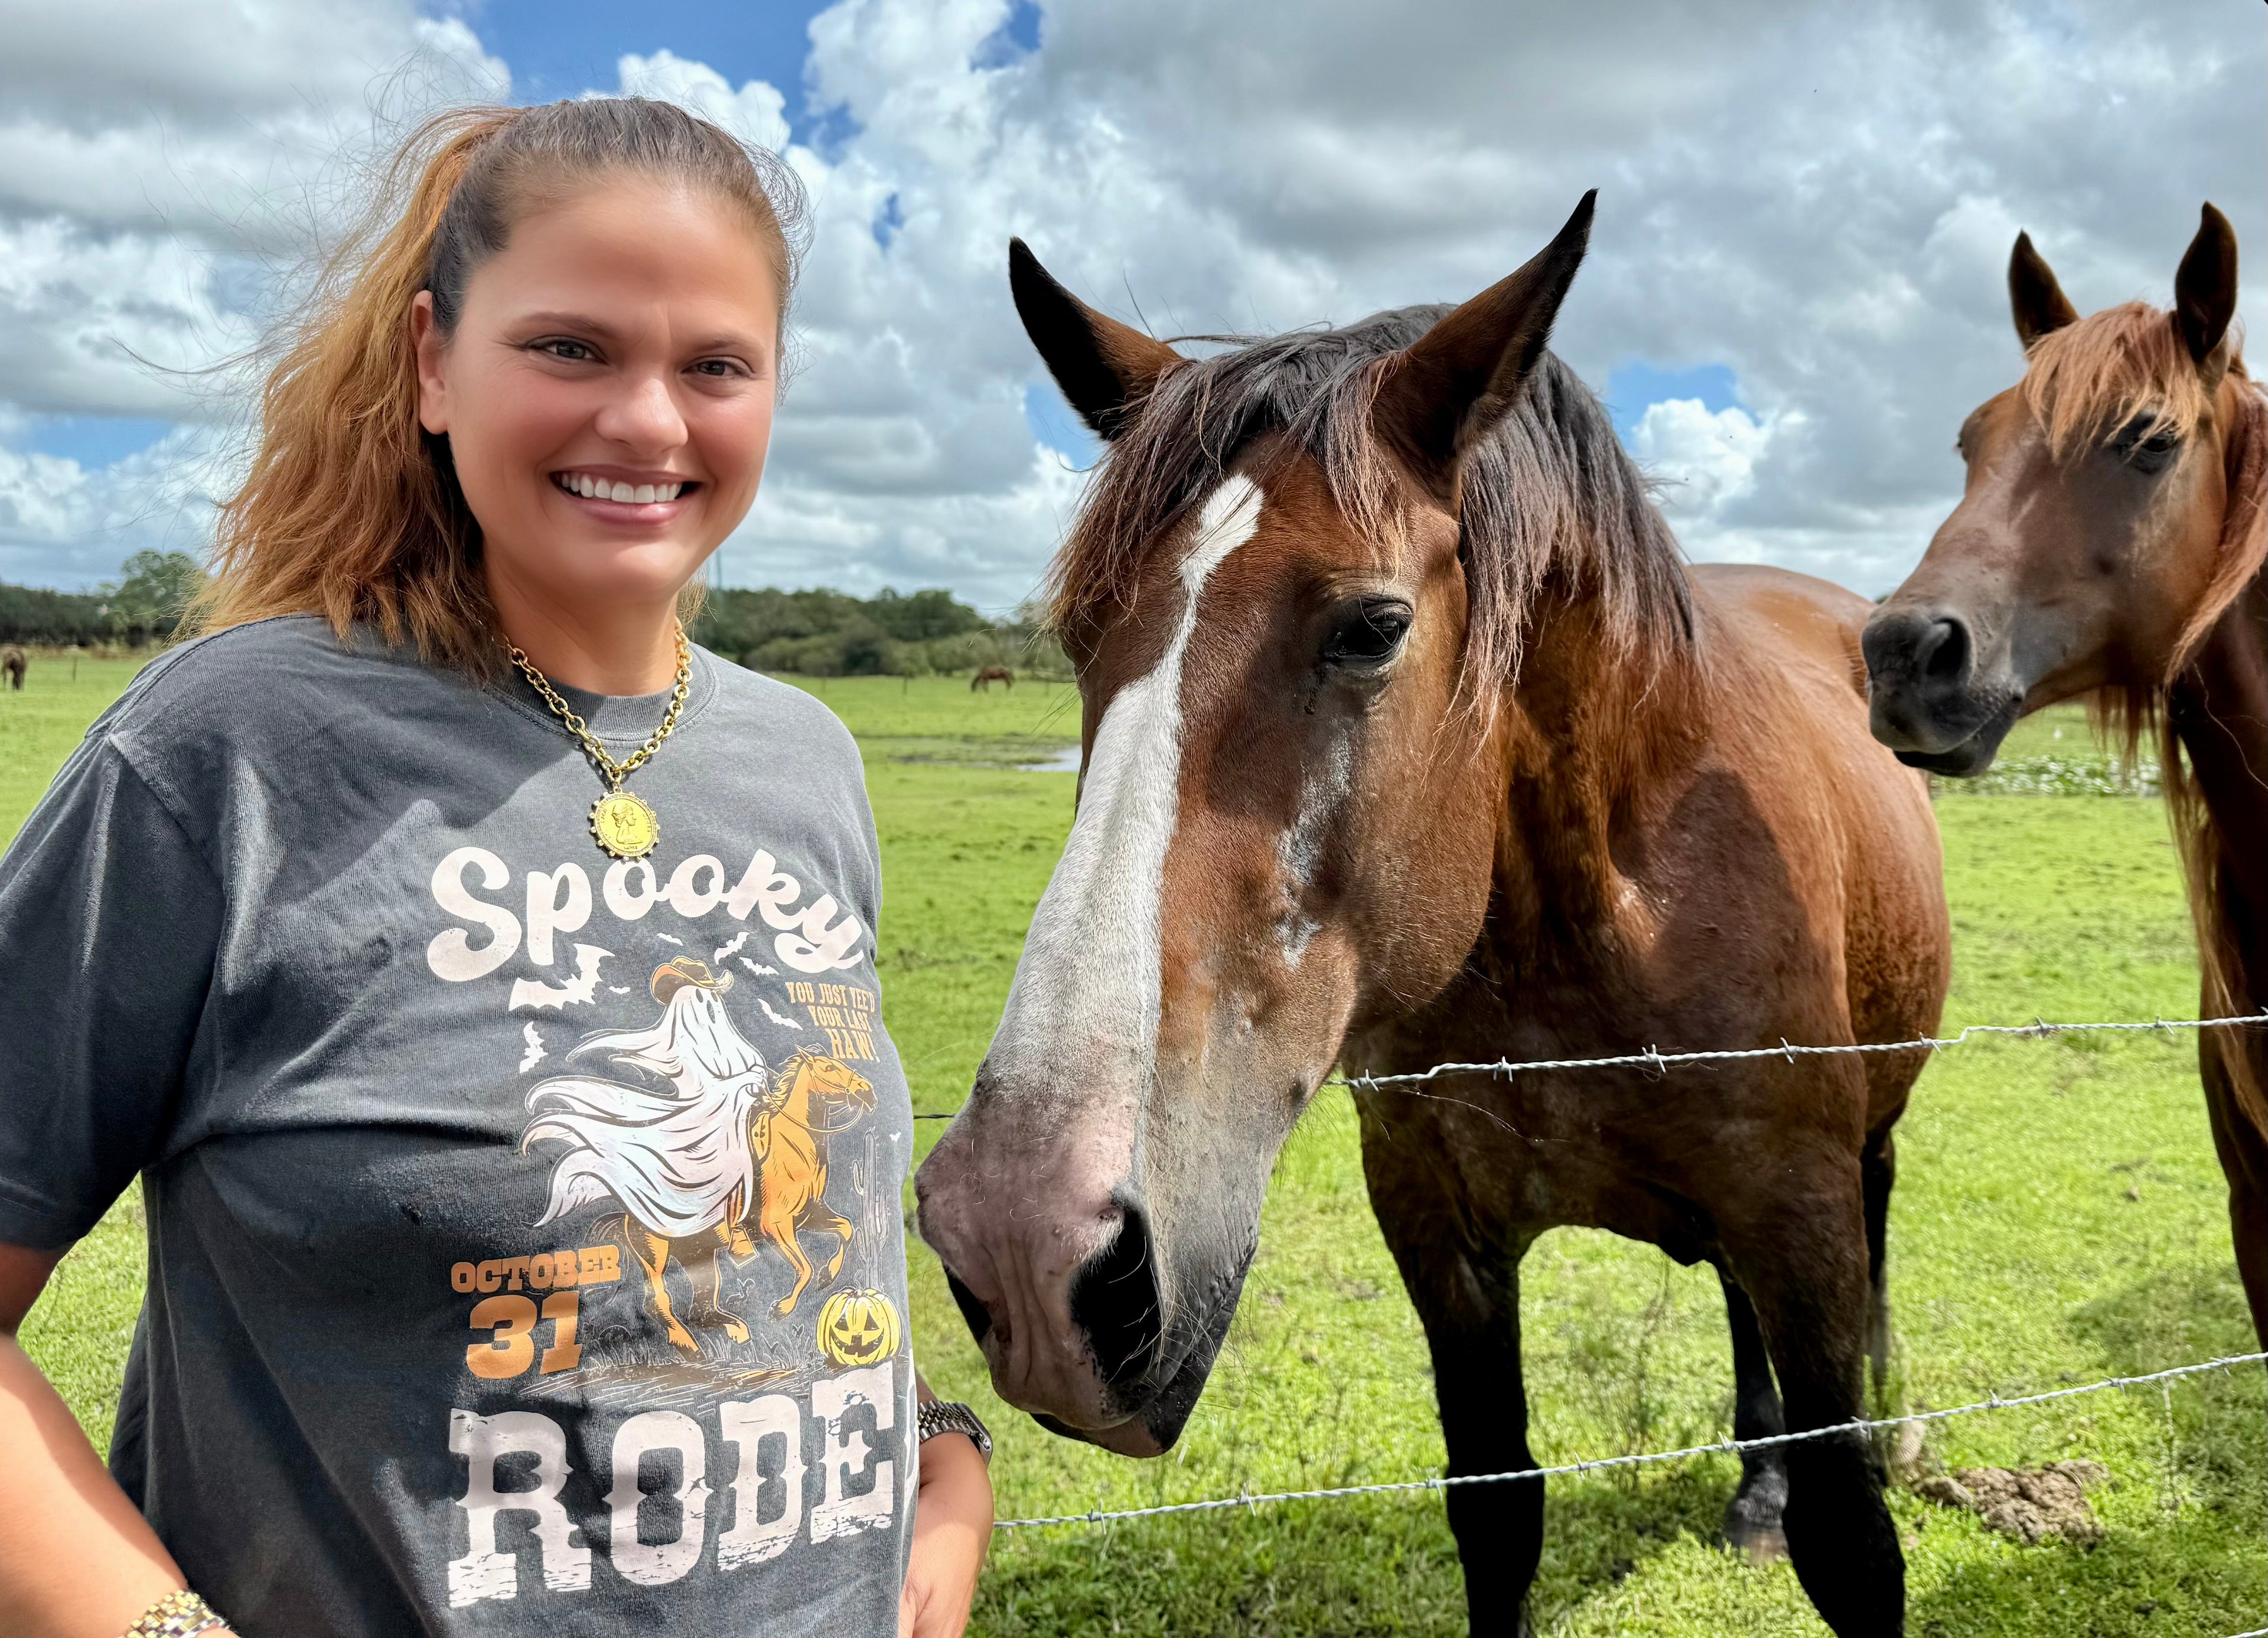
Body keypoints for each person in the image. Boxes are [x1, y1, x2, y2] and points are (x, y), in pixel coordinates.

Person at [0, 99, 992, 1638]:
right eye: (572, 349)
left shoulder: (808, 765)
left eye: (715, 365)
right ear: (430, 367)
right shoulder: (224, 754)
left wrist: (943, 1449)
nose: (652, 423)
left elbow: (795, 1219)